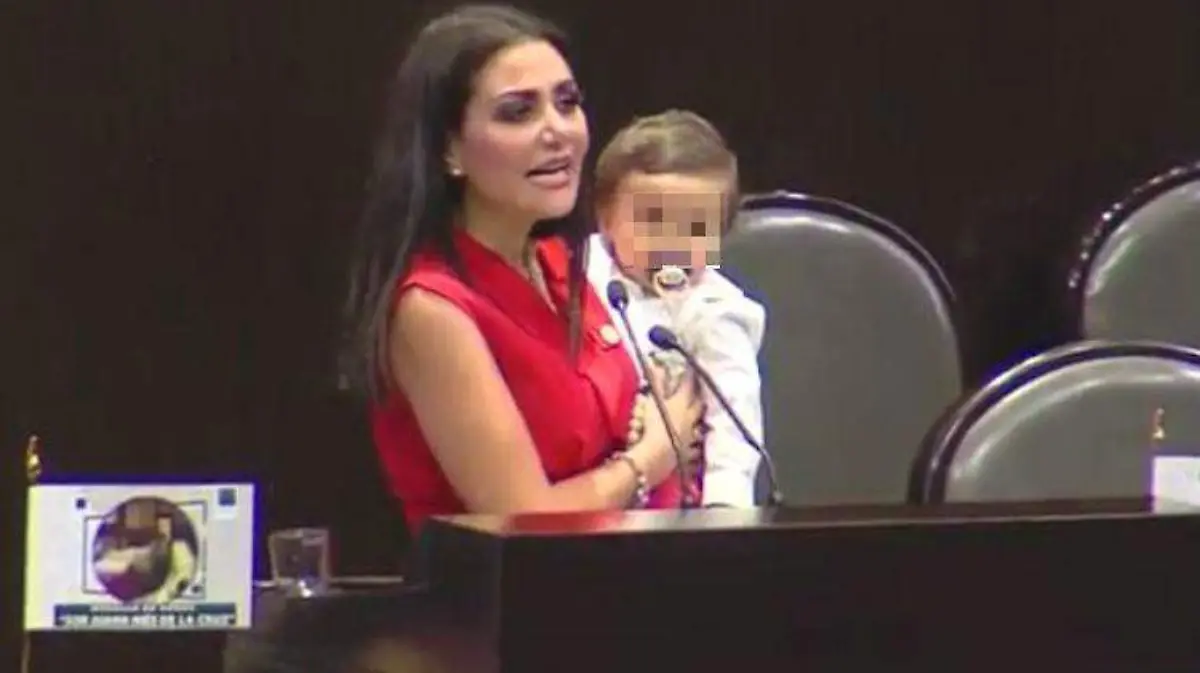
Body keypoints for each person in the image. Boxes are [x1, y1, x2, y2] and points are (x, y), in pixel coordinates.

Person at [341, 5, 704, 532]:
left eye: (567, 103)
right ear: (449, 150)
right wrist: (650, 459)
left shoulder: (561, 260)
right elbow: (523, 520)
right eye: (518, 113)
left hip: (647, 560)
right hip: (527, 583)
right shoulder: (430, 308)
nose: (557, 131)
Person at [588, 110, 767, 507]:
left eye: (695, 227)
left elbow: (734, 417)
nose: (673, 243)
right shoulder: (580, 275)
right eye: (652, 222)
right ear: (605, 221)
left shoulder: (717, 310)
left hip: (674, 501)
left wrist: (724, 509)